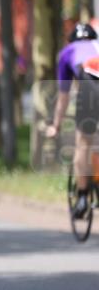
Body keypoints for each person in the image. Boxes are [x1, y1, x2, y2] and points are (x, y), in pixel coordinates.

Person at [46, 22, 99, 218]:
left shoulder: (67, 52)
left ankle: (83, 198)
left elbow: (63, 97)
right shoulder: (97, 45)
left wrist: (56, 125)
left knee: (83, 145)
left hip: (90, 92)